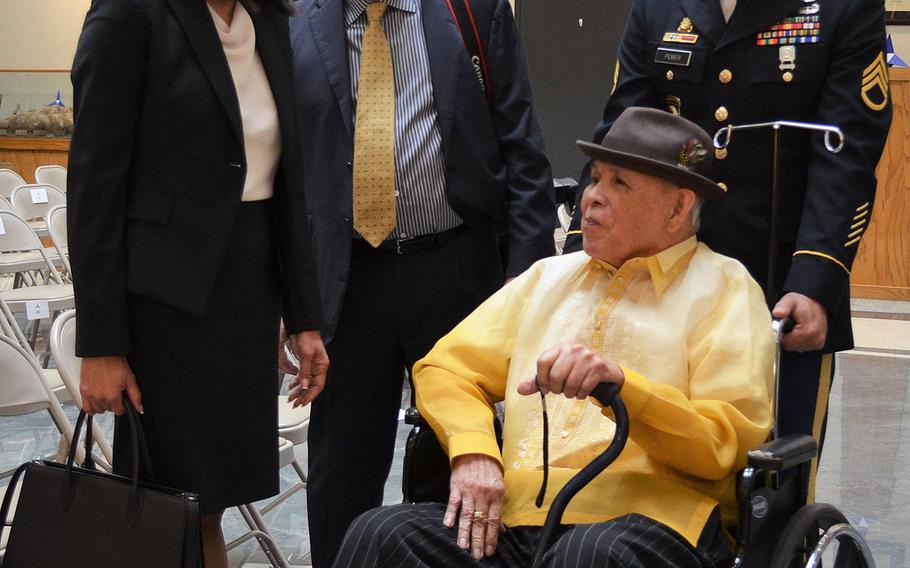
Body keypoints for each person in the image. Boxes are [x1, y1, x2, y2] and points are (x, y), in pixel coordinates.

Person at [332, 107, 775, 567]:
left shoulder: (725, 288)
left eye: (618, 183)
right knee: (381, 535)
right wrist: (474, 451)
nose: (591, 198)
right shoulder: (548, 277)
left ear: (679, 207)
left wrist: (624, 387)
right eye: (595, 178)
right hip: (516, 519)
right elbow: (445, 369)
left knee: (588, 556)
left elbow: (723, 444)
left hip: (652, 522)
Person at [562, 0, 892, 495]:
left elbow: (845, 158)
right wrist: (581, 250)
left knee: (775, 485)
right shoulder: (658, 7)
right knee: (654, 460)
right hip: (667, 276)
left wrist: (815, 281)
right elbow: (622, 132)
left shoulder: (844, 7)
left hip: (781, 282)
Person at [288, 1, 555, 565]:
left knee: (465, 458)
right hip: (347, 280)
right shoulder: (295, 18)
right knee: (341, 471)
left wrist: (528, 288)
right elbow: (282, 168)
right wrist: (291, 298)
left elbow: (523, 152)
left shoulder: (474, 10)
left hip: (456, 274)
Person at [68, 1, 327, 566]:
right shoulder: (130, 13)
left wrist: (304, 317)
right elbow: (93, 187)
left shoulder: (269, 19)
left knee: (211, 502)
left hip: (245, 300)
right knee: (173, 507)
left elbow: (291, 185)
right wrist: (101, 342)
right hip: (163, 308)